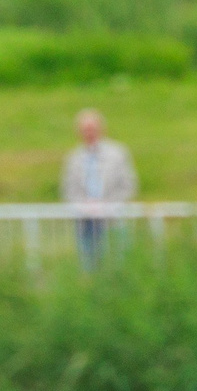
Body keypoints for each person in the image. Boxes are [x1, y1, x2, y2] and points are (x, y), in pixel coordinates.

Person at [59, 107, 137, 270]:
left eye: (92, 129)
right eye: (85, 130)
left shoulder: (117, 154)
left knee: (117, 262)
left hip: (113, 219)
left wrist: (108, 205)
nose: (89, 133)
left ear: (102, 129)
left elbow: (128, 185)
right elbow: (68, 189)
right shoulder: (74, 158)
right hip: (85, 222)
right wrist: (84, 206)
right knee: (89, 264)